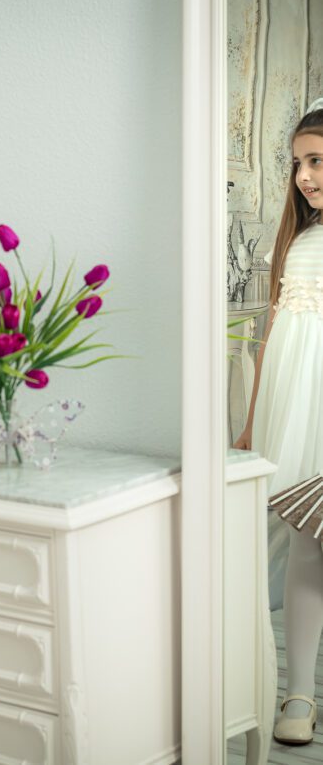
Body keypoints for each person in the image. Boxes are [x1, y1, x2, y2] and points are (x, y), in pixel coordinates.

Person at [235, 96, 323, 746]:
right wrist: (252, 418)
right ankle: (298, 693)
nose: (304, 177)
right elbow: (273, 333)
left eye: (316, 161)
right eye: (297, 164)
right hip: (299, 406)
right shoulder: (297, 240)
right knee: (308, 540)